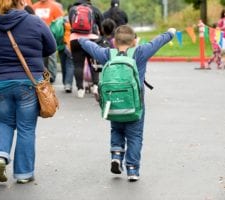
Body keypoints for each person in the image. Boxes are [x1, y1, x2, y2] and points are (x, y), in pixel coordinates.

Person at [77, 25, 176, 181]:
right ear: (134, 41)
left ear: (114, 42)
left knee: (116, 129)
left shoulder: (107, 54)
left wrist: (81, 38)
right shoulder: (140, 52)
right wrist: (170, 33)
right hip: (135, 104)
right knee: (135, 136)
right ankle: (132, 170)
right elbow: (158, 41)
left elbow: (90, 46)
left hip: (114, 103)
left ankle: (116, 155)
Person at [0, 0, 56, 183]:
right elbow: (51, 47)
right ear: (21, 1)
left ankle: (0, 155)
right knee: (26, 128)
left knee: (4, 122)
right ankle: (23, 173)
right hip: (28, 82)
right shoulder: (34, 22)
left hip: (0, 82)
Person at [69, 0, 104, 98]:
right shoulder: (95, 9)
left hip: (76, 39)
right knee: (94, 63)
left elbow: (72, 25)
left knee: (78, 65)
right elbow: (102, 26)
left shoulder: (72, 9)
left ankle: (80, 89)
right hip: (92, 39)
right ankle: (95, 86)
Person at [32, 0, 64, 82]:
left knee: (51, 56)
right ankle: (41, 75)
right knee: (39, 56)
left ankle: (51, 76)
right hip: (37, 35)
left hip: (50, 35)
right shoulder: (34, 6)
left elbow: (60, 22)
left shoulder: (54, 6)